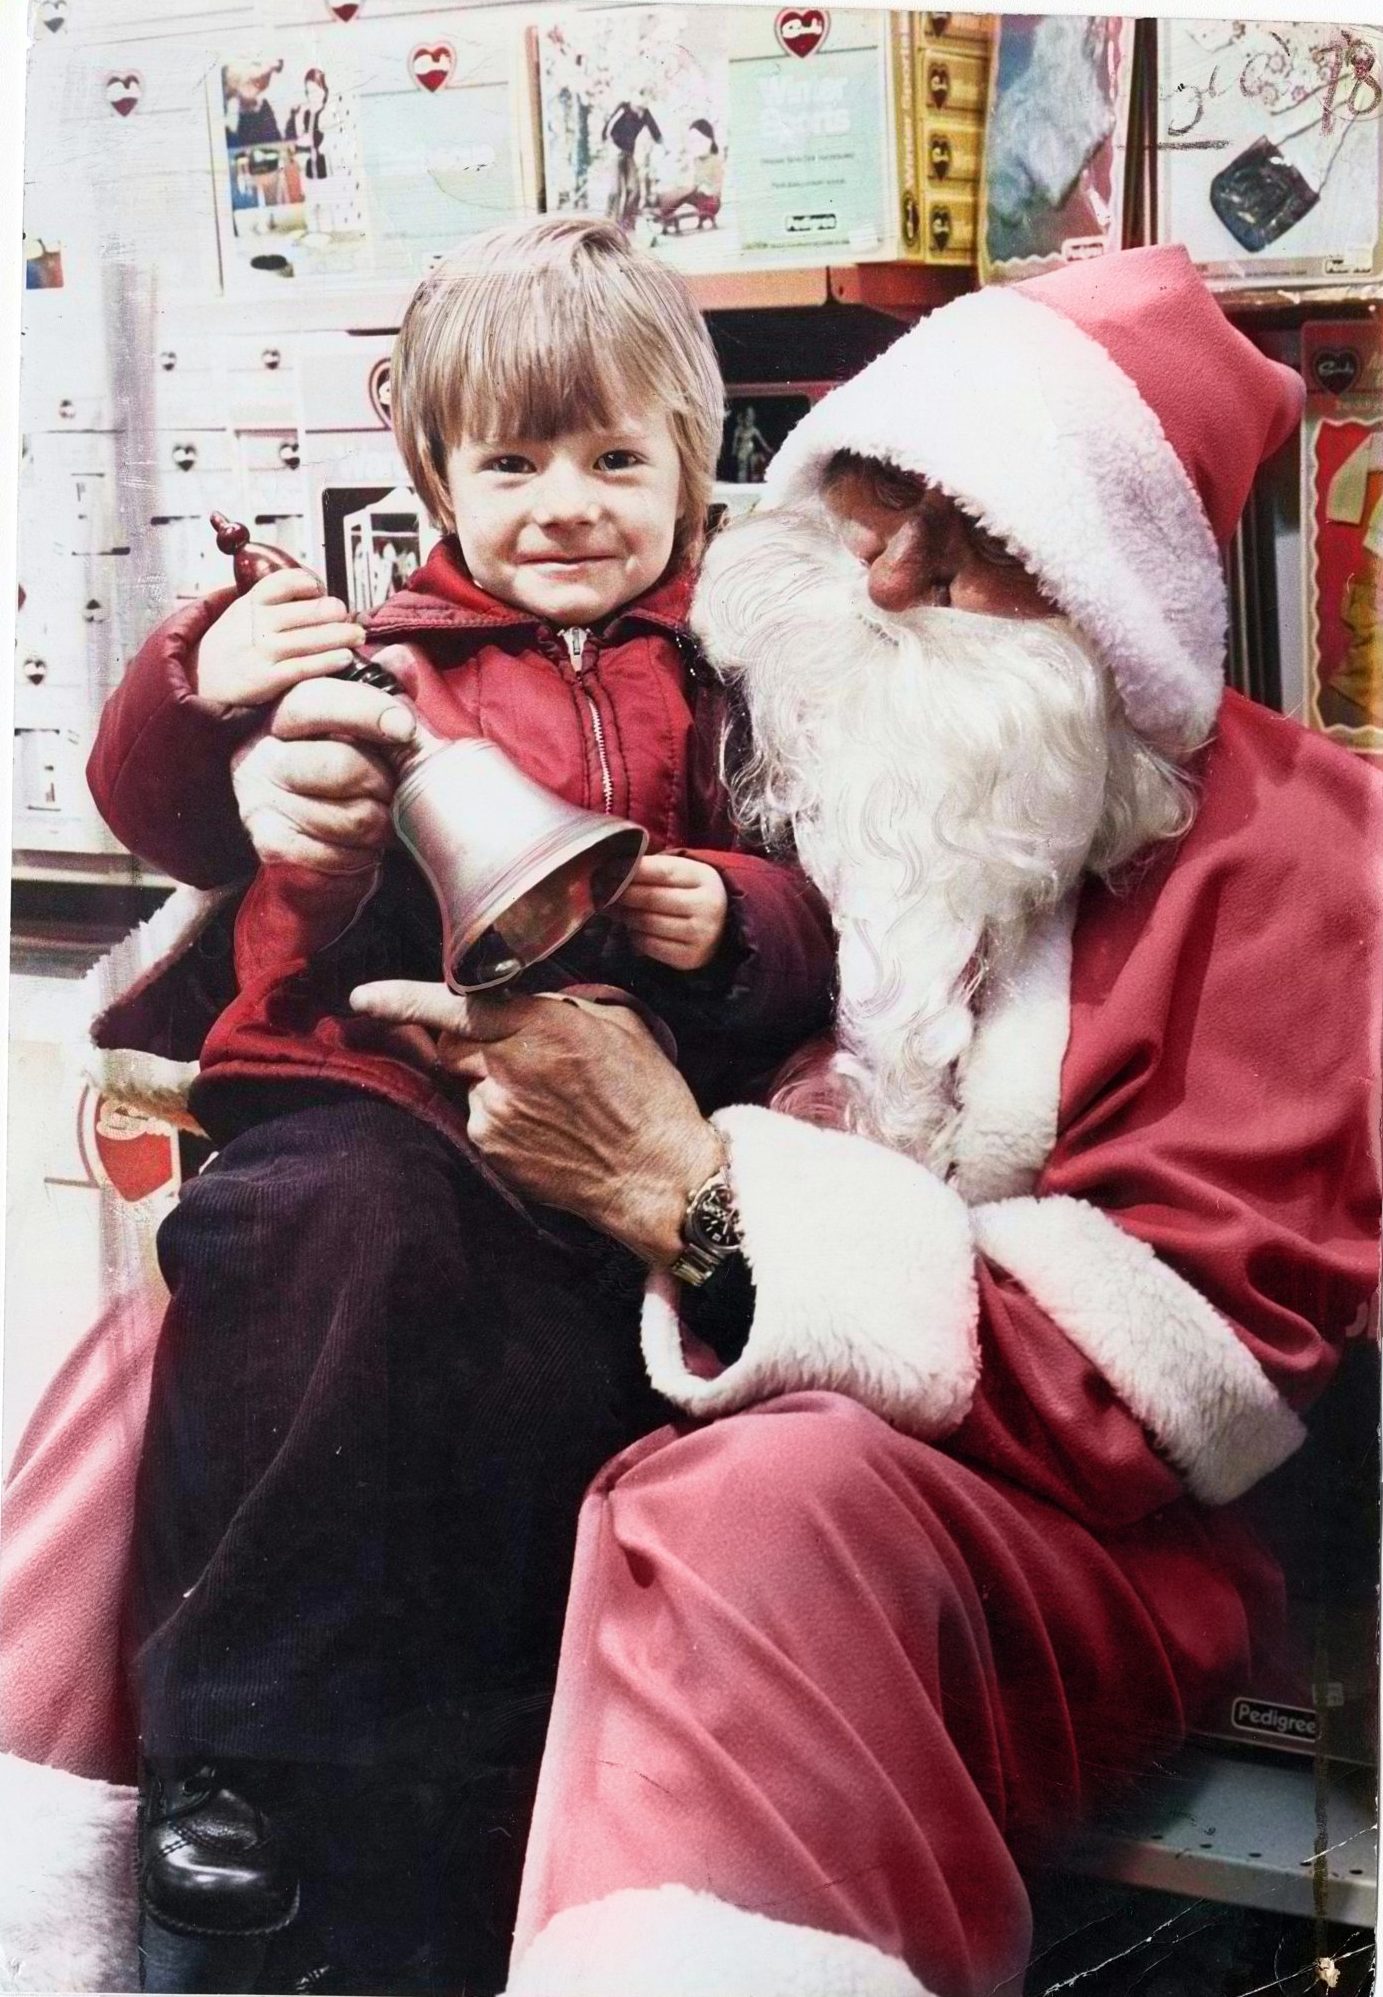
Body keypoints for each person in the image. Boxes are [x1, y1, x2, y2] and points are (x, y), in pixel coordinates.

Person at [347, 245, 1383, 1996]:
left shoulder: (1307, 852)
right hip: (767, 1422)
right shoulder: (878, 751)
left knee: (756, 1501)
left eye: (955, 544)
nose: (879, 582)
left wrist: (689, 1191)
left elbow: (1179, 1385)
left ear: (1105, 581)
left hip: (1095, 1543)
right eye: (861, 516)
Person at [81, 216, 833, 1994]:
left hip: (629, 1140)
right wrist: (211, 683)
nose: (566, 502)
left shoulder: (738, 678)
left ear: (696, 466)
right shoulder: (381, 659)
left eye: (614, 458)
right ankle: (238, 1748)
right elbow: (159, 808)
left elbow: (833, 896)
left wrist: (737, 919)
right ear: (432, 475)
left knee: (552, 1386)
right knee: (314, 1232)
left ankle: (481, 1784)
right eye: (512, 460)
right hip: (377, 1094)